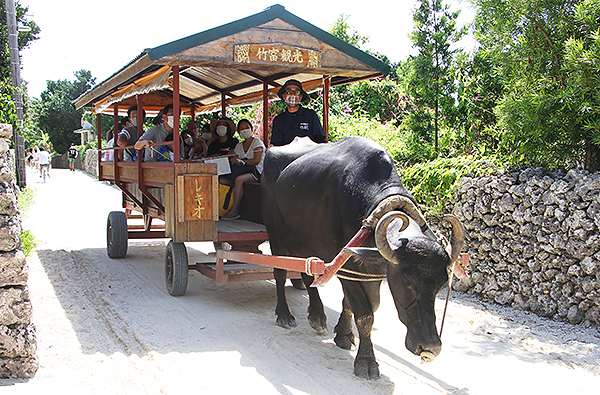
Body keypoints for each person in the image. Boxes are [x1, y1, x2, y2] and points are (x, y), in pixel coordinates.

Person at [220, 119, 265, 220]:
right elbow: (234, 158)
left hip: (256, 172)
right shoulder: (239, 146)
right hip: (242, 171)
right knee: (221, 180)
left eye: (246, 127)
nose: (244, 130)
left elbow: (256, 161)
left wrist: (242, 162)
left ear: (251, 128)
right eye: (241, 129)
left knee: (239, 180)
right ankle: (223, 206)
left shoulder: (257, 142)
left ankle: (235, 210)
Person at [270, 79, 326, 146]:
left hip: (308, 155)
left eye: (296, 92)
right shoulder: (278, 120)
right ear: (283, 96)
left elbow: (320, 141)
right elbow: (277, 147)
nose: (292, 94)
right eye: (289, 91)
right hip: (287, 155)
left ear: (301, 97)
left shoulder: (311, 115)